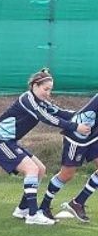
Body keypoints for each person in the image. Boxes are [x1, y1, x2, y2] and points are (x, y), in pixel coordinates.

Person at [0, 68, 90, 225]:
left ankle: (22, 210)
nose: (48, 93)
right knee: (32, 170)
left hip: (9, 141)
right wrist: (75, 127)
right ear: (35, 85)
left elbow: (61, 113)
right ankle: (33, 215)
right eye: (45, 89)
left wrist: (86, 114)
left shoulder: (41, 102)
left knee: (40, 169)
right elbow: (47, 118)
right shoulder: (27, 99)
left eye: (50, 90)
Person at [39, 94, 98, 222]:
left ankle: (78, 203)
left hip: (93, 135)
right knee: (67, 175)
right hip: (78, 136)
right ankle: (44, 206)